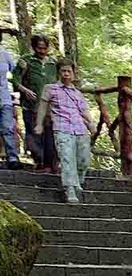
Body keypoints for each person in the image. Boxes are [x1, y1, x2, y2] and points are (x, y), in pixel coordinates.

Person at [35, 60, 97, 203]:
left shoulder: (77, 93)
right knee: (67, 158)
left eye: (69, 71)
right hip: (61, 128)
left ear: (73, 73)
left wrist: (91, 123)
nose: (66, 74)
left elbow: (84, 110)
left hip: (80, 128)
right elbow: (42, 107)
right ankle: (70, 189)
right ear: (59, 72)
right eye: (63, 71)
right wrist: (39, 124)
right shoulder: (50, 89)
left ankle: (78, 181)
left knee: (83, 160)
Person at [15, 34, 60, 171]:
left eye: (45, 48)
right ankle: (39, 161)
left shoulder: (53, 63)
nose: (42, 51)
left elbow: (59, 82)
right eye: (39, 48)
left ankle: (49, 164)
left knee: (49, 136)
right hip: (31, 105)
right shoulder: (26, 60)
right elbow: (14, 79)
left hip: (49, 107)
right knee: (33, 134)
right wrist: (25, 90)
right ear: (34, 47)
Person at [0, 35, 19, 169]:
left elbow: (15, 72)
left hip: (4, 96)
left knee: (7, 127)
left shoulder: (5, 54)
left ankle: (12, 158)